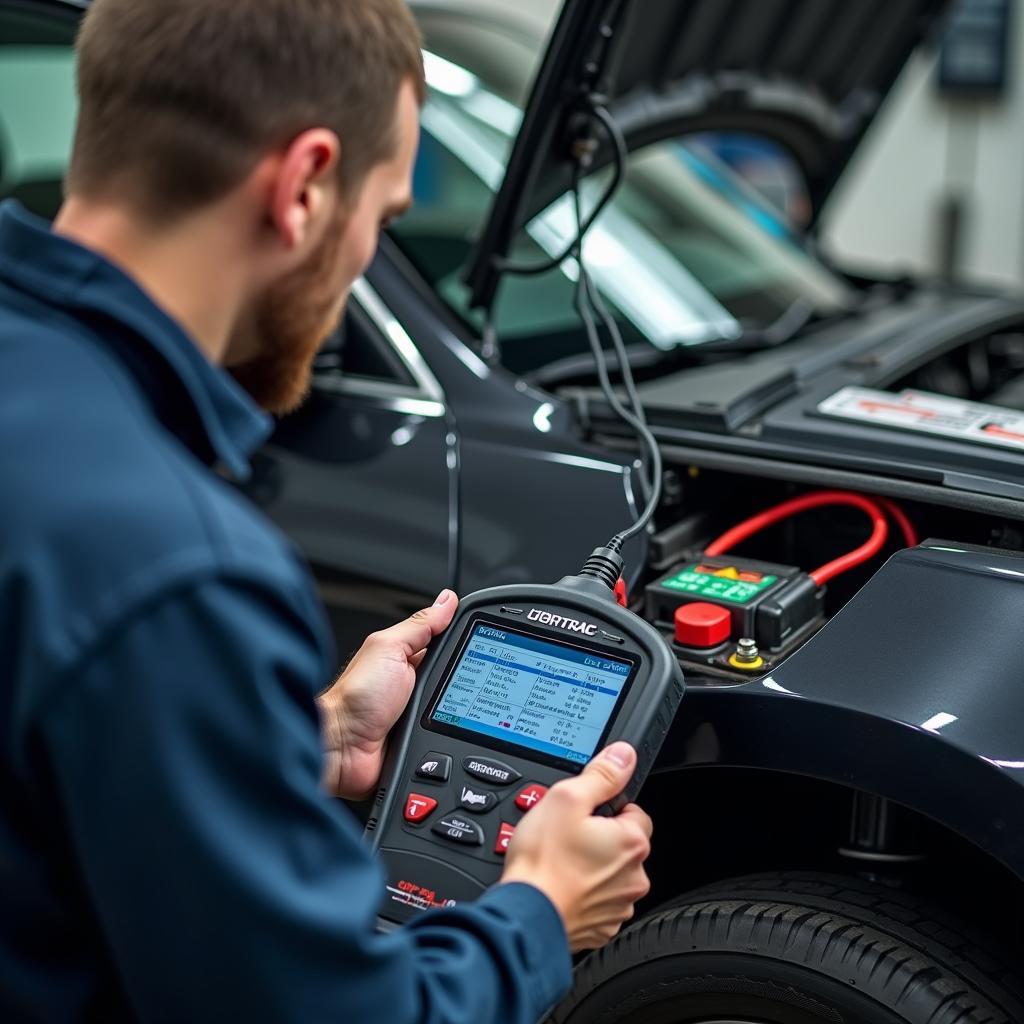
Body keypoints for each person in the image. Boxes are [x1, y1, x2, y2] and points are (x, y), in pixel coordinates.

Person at [0, 1, 654, 1021]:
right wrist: (539, 909)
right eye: (384, 216)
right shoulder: (183, 568)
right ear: (304, 185)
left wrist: (300, 741)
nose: (361, 261)